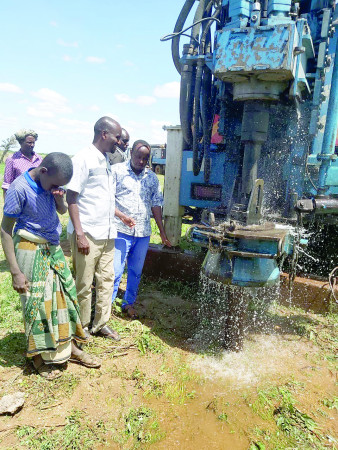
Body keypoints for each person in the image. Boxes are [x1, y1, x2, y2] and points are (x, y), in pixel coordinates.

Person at [0, 152, 100, 381]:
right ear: (43, 171)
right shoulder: (19, 188)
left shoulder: (51, 185)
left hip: (53, 247)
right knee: (37, 305)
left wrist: (58, 198)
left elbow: (63, 211)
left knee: (65, 297)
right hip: (29, 247)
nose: (56, 187)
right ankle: (38, 357)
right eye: (55, 184)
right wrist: (15, 272)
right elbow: (5, 230)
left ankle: (69, 349)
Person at [66, 116, 123, 341]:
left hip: (108, 233)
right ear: (104, 134)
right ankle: (81, 327)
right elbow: (72, 197)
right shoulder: (83, 158)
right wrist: (79, 234)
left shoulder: (106, 159)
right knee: (84, 283)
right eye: (117, 136)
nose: (119, 141)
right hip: (88, 233)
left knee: (106, 279)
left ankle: (101, 324)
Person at [111, 139, 172, 319]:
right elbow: (107, 200)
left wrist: (161, 231)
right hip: (120, 230)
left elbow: (156, 205)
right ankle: (106, 307)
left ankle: (128, 303)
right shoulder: (117, 172)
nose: (141, 161)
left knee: (136, 272)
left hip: (143, 233)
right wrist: (122, 217)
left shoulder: (152, 178)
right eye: (138, 157)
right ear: (131, 153)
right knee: (115, 270)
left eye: (145, 159)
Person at [2, 129, 43, 197]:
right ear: (21, 142)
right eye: (29, 142)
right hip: (19, 197)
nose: (32, 145)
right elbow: (7, 185)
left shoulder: (39, 159)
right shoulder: (12, 159)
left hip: (37, 198)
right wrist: (7, 204)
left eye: (33, 142)